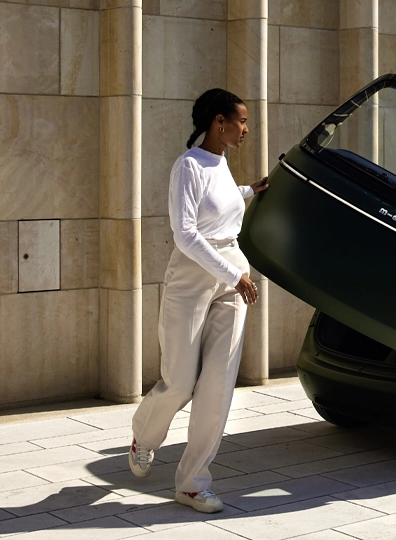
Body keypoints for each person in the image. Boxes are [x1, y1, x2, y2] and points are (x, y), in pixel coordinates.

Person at [128, 88, 269, 514]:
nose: (246, 129)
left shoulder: (221, 163)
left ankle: (192, 484)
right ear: (219, 122)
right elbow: (186, 233)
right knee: (179, 380)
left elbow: (221, 203)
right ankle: (144, 436)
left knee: (218, 385)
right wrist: (233, 275)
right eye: (241, 121)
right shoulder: (188, 165)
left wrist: (249, 190)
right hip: (193, 275)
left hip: (232, 273)